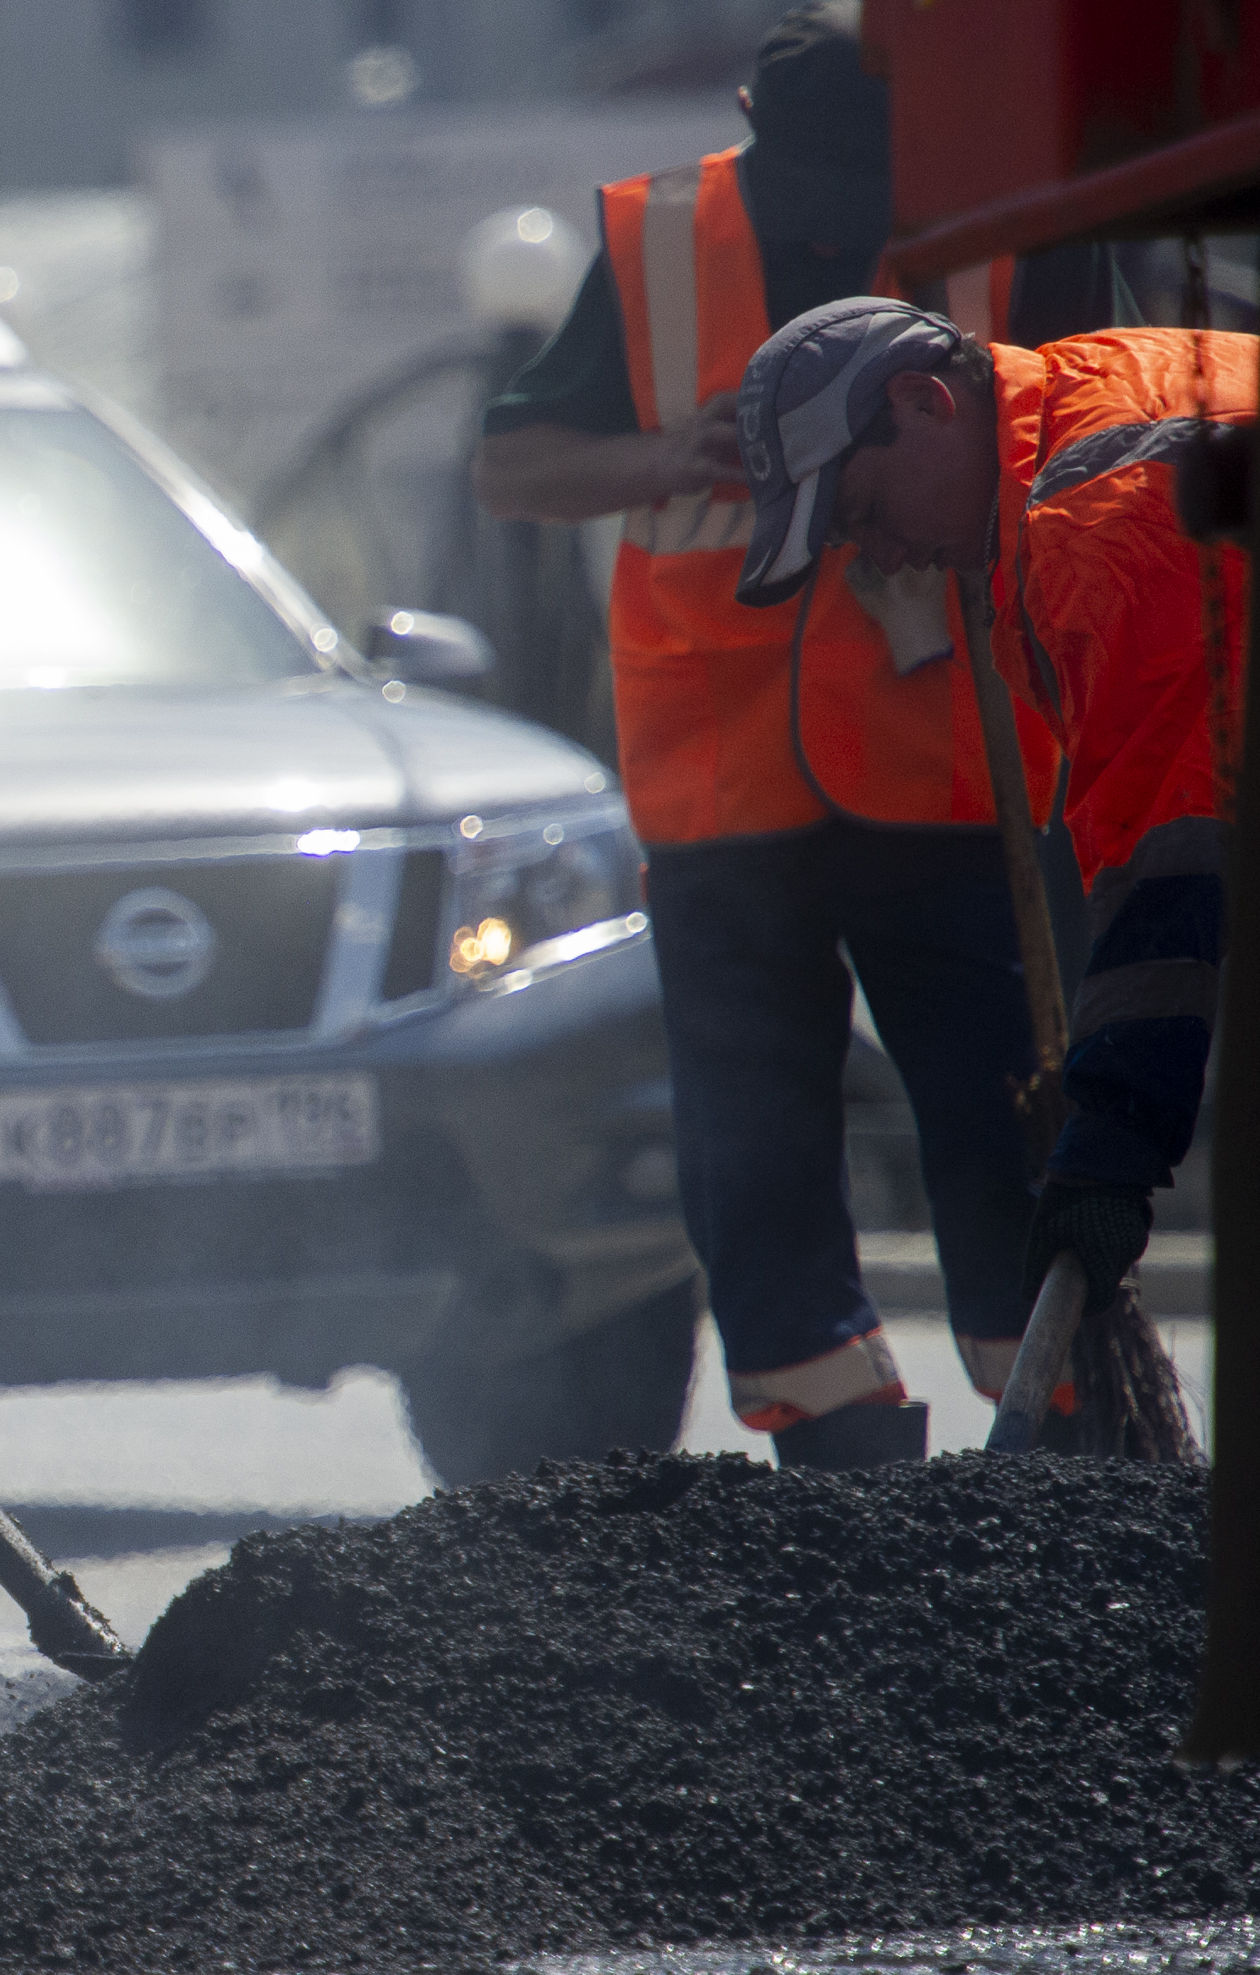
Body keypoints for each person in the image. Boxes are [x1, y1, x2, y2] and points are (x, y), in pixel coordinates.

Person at [472, 3, 1080, 1469]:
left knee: (1006, 1111)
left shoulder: (1012, 228)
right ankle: (834, 1448)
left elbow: (1095, 438)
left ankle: (1056, 1422)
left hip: (951, 771)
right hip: (723, 774)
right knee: (750, 1143)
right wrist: (656, 455)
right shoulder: (661, 242)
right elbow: (511, 463)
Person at [733, 294, 1250, 1335]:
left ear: (925, 400)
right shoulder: (1085, 389)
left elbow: (1173, 859)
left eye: (866, 508)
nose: (878, 555)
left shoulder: (1093, 520)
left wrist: (1111, 1147)